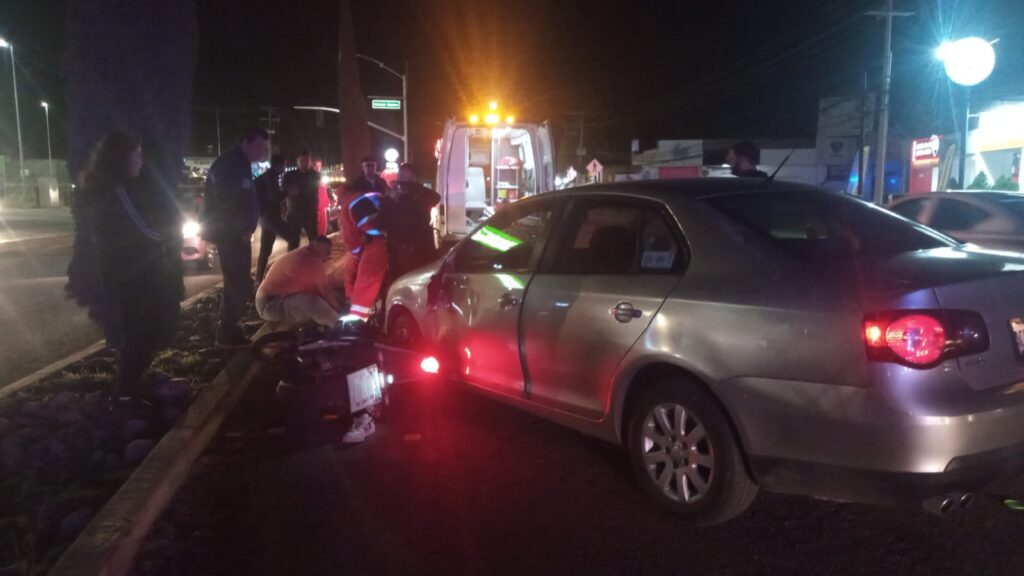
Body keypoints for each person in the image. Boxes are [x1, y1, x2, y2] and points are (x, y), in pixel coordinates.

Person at [66, 131, 182, 405]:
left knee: (139, 330)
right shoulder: (118, 192)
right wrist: (170, 233)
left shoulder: (101, 190)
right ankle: (126, 393)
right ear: (123, 158)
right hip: (131, 276)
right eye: (137, 155)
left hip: (119, 274)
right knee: (148, 328)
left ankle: (131, 384)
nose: (140, 161)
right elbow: (144, 230)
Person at [201, 127, 269, 347]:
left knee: (237, 282)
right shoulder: (230, 166)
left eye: (264, 147)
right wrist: (241, 230)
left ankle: (230, 327)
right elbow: (228, 204)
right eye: (258, 146)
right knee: (237, 283)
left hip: (235, 234)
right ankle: (227, 333)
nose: (261, 151)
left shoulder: (238, 164)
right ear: (244, 142)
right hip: (231, 235)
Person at [254, 236, 345, 329]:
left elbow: (324, 290)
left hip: (272, 300)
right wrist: (342, 310)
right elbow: (326, 292)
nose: (328, 257)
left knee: (322, 299)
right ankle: (342, 326)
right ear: (313, 246)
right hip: (269, 305)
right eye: (326, 253)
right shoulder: (311, 261)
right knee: (314, 304)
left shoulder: (304, 253)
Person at [337, 182, 388, 327]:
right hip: (399, 241)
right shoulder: (374, 195)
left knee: (365, 281)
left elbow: (351, 239)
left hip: (376, 243)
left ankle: (357, 320)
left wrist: (358, 255)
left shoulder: (347, 205)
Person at [386, 163, 440, 280]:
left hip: (419, 250)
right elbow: (381, 221)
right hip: (399, 252)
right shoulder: (391, 197)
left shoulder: (421, 196)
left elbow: (435, 197)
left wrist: (411, 188)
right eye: (401, 178)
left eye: (408, 179)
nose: (403, 182)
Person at [255, 154, 294, 283]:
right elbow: (274, 197)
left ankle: (258, 280)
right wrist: (288, 191)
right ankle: (290, 272)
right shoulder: (271, 177)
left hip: (265, 216)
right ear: (278, 165)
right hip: (269, 216)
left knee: (266, 249)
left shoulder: (268, 176)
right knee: (293, 237)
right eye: (284, 164)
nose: (285, 167)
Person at [282, 150, 321, 249]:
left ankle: (313, 263)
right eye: (302, 161)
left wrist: (296, 190)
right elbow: (284, 190)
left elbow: (311, 189)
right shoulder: (289, 175)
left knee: (314, 241)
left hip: (310, 213)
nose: (305, 163)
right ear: (297, 162)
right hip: (294, 213)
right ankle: (293, 263)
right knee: (293, 242)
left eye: (307, 161)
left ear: (310, 162)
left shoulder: (315, 175)